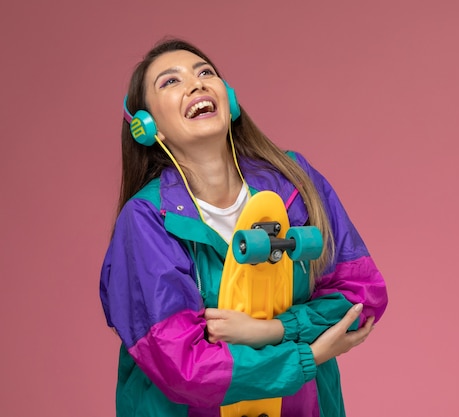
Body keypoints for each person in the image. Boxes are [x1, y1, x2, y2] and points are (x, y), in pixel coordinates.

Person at [99, 37, 388, 417]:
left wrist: (274, 331)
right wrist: (309, 355)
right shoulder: (147, 220)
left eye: (205, 72)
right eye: (170, 82)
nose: (196, 83)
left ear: (230, 101)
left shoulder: (293, 182)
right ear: (148, 127)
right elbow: (185, 366)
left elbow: (363, 294)